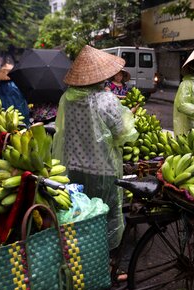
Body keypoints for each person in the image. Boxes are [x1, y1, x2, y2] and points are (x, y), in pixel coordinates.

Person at [52, 45, 138, 252]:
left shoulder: (68, 99)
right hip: (103, 168)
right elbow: (120, 133)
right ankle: (105, 254)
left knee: (81, 211)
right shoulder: (106, 99)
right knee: (107, 212)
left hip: (74, 167)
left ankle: (82, 251)